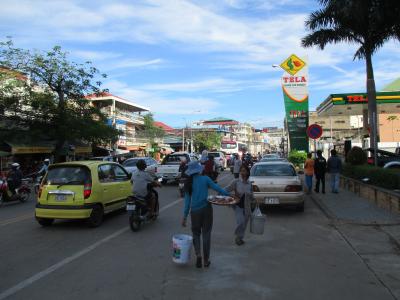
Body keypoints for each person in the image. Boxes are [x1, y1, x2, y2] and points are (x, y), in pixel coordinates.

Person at [182, 161, 229, 268]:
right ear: (199, 169)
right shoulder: (205, 179)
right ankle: (206, 260)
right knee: (206, 234)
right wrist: (229, 194)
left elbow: (187, 202)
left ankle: (198, 254)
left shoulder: (188, 183)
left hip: (194, 212)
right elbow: (218, 189)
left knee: (196, 234)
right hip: (206, 209)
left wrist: (184, 217)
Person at [225, 165, 254, 246]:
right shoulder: (236, 182)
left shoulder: (249, 184)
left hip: (247, 206)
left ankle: (240, 238)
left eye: (244, 171)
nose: (242, 172)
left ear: (248, 172)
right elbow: (227, 189)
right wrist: (228, 195)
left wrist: (252, 198)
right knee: (240, 222)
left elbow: (252, 195)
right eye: (241, 171)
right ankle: (237, 236)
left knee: (244, 224)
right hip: (238, 206)